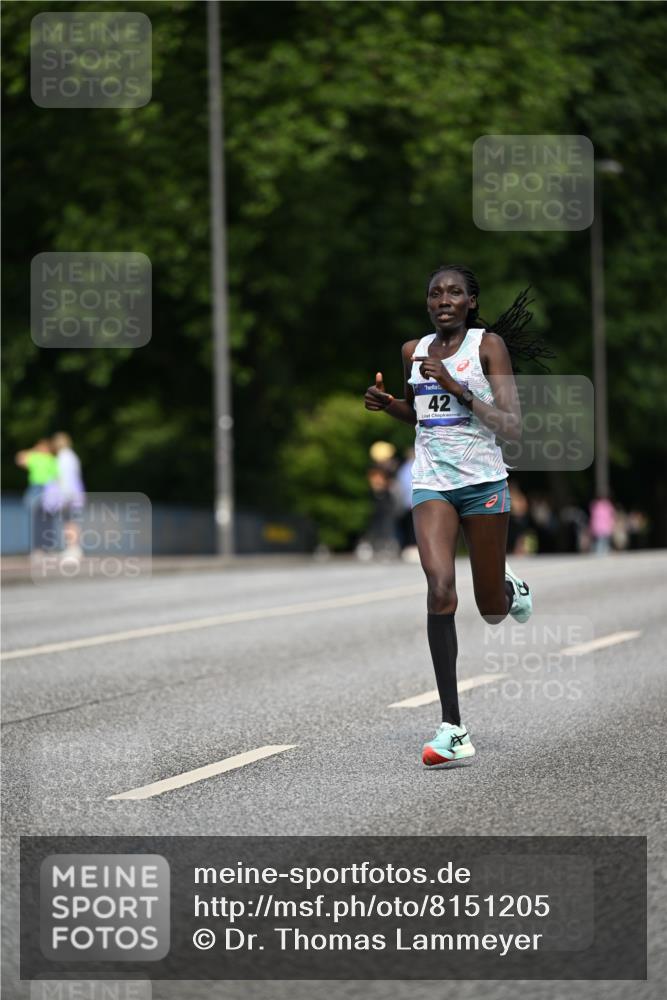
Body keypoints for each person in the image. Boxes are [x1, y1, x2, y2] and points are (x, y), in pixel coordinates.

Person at [364, 265, 552, 768]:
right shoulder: (413, 351)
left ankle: (510, 588)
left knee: (490, 608)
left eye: (453, 292)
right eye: (434, 293)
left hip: (484, 482)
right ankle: (453, 727)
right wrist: (388, 406)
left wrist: (458, 385)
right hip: (432, 483)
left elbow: (511, 425)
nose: (442, 299)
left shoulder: (487, 346)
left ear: (471, 301)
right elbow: (420, 411)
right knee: (440, 588)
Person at [15, 438, 58, 554]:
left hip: (47, 489)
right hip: (36, 488)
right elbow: (19, 459)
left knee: (46, 520)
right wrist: (34, 450)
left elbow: (57, 477)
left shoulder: (50, 459)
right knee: (36, 519)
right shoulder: (36, 457)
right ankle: (38, 548)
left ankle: (47, 547)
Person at [48, 432, 86, 561]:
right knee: (71, 522)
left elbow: (65, 478)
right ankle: (73, 548)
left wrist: (65, 496)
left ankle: (73, 549)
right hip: (74, 493)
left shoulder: (64, 457)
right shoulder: (71, 456)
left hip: (68, 494)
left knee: (70, 522)